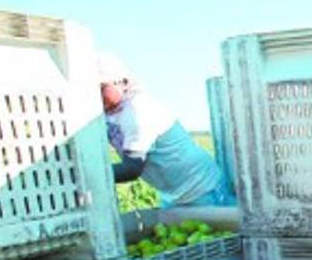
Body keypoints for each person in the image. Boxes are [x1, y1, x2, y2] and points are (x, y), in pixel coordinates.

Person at [98, 54, 235, 208]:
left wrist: (90, 178)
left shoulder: (137, 111)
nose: (95, 94)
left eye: (101, 87)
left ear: (122, 83)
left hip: (203, 189)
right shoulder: (108, 113)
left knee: (227, 223)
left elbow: (131, 169)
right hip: (173, 196)